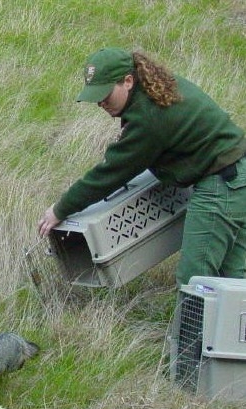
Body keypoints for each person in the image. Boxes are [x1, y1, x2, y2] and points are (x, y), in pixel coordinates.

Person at [38, 47, 246, 286]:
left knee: (195, 281)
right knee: (233, 280)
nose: (101, 103)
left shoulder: (148, 117)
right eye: (96, 98)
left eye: (105, 94)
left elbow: (111, 173)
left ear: (127, 81)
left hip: (221, 186)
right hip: (238, 174)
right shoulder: (159, 87)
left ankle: (193, 324)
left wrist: (60, 209)